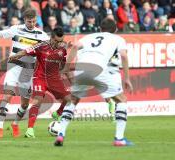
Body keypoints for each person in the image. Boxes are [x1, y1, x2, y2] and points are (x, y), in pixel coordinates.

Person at [0, 8, 50, 138]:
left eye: (34, 21)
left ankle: (15, 124)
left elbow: (49, 50)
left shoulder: (42, 35)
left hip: (28, 70)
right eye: (29, 21)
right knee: (7, 95)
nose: (32, 24)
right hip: (14, 66)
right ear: (24, 20)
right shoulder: (16, 29)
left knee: (25, 104)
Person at [54, 18, 133, 147]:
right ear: (116, 30)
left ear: (100, 29)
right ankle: (119, 138)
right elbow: (123, 56)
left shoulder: (89, 36)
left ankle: (61, 134)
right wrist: (127, 78)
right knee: (121, 100)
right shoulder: (118, 39)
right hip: (100, 70)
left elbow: (74, 47)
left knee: (73, 100)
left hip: (82, 69)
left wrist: (66, 68)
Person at [8, 26, 71, 138]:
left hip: (54, 78)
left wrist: (66, 74)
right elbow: (26, 51)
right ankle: (30, 130)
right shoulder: (42, 45)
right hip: (40, 77)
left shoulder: (63, 49)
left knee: (69, 99)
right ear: (51, 37)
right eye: (57, 41)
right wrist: (15, 56)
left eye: (61, 41)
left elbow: (63, 65)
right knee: (37, 101)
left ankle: (58, 113)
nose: (59, 44)